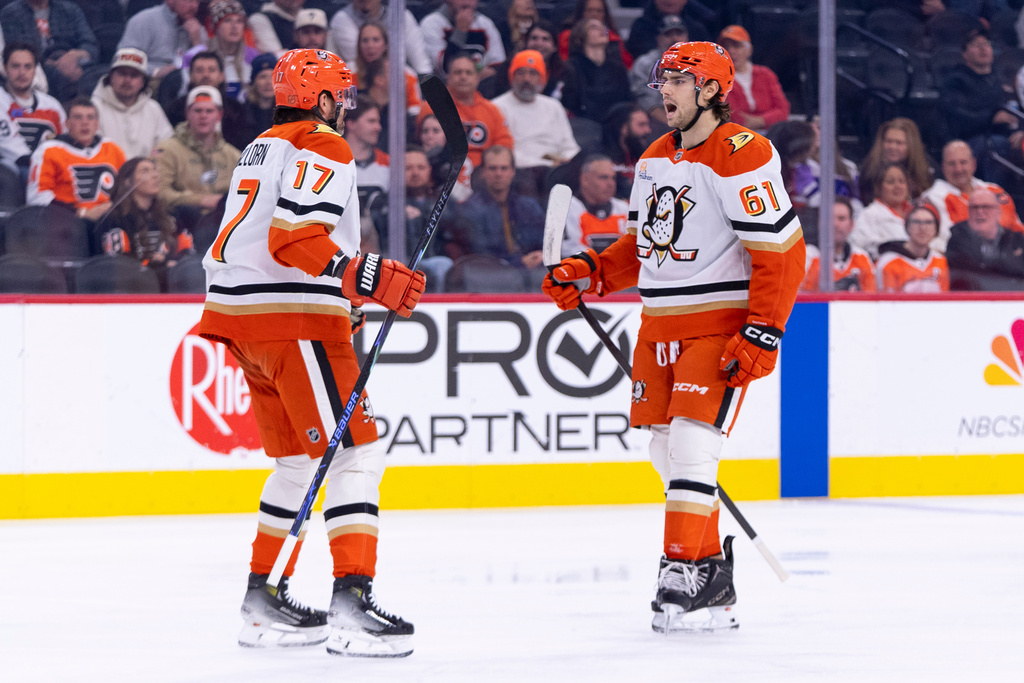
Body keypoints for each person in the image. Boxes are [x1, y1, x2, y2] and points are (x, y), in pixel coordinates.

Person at [542, 41, 804, 634]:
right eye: (663, 79)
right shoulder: (655, 155)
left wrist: (763, 330)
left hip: (717, 322)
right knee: (666, 452)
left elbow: (782, 252)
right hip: (659, 326)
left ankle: (681, 569)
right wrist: (591, 271)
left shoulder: (742, 152)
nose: (665, 89)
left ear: (712, 90)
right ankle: (711, 574)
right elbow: (642, 248)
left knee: (691, 446)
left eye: (679, 80)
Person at [196, 48, 423, 655]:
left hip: (242, 323)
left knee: (298, 463)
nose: (344, 109)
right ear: (321, 99)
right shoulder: (324, 142)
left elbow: (268, 238)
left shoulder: (262, 144)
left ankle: (262, 600)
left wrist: (344, 292)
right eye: (339, 97)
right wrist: (367, 276)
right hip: (290, 321)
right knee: (357, 454)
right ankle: (352, 602)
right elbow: (294, 237)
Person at [493, 49, 580, 199]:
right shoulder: (496, 107)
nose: (526, 79)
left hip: (553, 168)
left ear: (542, 79)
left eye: (533, 74)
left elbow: (569, 147)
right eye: (521, 73)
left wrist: (560, 161)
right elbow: (500, 150)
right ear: (512, 77)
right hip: (520, 170)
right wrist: (534, 163)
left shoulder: (553, 106)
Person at [154, 86, 241, 235]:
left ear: (219, 115)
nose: (203, 116)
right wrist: (201, 200)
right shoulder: (166, 150)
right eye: (197, 110)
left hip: (226, 225)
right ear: (187, 113)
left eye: (209, 111)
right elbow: (160, 193)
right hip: (181, 225)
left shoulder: (233, 155)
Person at [445, 144, 545, 272]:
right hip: (490, 275)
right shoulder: (469, 209)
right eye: (493, 168)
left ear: (512, 171)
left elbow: (542, 241)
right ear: (483, 171)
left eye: (504, 168)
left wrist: (540, 255)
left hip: (531, 271)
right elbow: (480, 252)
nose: (499, 174)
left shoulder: (529, 206)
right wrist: (519, 263)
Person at [27, 96, 125, 223]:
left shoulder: (112, 148)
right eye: (78, 117)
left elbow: (127, 187)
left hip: (109, 219)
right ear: (67, 124)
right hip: (66, 222)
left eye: (90, 117)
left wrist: (114, 207)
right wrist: (79, 213)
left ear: (97, 124)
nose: (85, 122)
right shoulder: (49, 150)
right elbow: (37, 197)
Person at [920, 139, 1024, 252]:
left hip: (1010, 259)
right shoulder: (932, 199)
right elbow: (937, 244)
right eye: (951, 164)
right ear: (943, 167)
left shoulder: (995, 191)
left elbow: (1018, 229)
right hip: (966, 263)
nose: (958, 169)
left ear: (973, 164)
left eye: (963, 162)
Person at [93, 156, 190, 275]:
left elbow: (187, 252)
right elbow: (117, 265)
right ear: (128, 181)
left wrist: (173, 263)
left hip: (172, 283)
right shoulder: (113, 218)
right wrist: (153, 263)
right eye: (145, 171)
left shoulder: (170, 214)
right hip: (132, 286)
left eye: (154, 170)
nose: (155, 175)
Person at [424, 52, 514, 170]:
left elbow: (504, 144)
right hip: (443, 170)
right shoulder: (431, 106)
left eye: (468, 73)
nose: (463, 77)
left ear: (477, 78)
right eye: (458, 72)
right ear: (448, 78)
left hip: (483, 173)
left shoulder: (492, 110)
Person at [0, 0, 100, 101]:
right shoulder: (10, 14)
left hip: (76, 63)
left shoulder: (70, 9)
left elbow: (90, 44)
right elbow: (17, 51)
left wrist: (75, 56)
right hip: (40, 66)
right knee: (56, 76)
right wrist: (58, 64)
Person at [91, 48, 174, 159]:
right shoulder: (94, 107)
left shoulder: (153, 108)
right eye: (122, 74)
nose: (127, 80)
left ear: (143, 82)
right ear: (111, 77)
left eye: (134, 75)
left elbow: (167, 147)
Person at [164, 51, 249, 150]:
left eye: (211, 70)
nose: (206, 75)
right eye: (200, 70)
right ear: (190, 76)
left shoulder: (236, 110)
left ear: (222, 76)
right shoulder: (175, 109)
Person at [181, 0, 259, 102]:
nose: (234, 26)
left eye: (239, 21)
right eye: (227, 21)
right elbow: (183, 90)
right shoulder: (195, 55)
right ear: (215, 27)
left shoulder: (253, 56)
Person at [717, 25, 789, 135]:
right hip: (736, 136)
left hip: (771, 134)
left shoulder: (765, 74)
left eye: (736, 46)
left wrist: (761, 120)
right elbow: (734, 117)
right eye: (726, 47)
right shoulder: (718, 79)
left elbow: (783, 109)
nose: (731, 51)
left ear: (749, 50)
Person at [329, 0, 431, 75]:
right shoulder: (342, 18)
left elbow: (421, 62)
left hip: (395, 78)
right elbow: (363, 57)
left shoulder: (402, 15)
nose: (370, 46)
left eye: (375, 40)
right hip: (360, 77)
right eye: (366, 40)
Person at [946, 187, 1024, 285]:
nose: (980, 212)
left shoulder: (1016, 240)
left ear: (998, 212)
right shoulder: (956, 240)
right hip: (972, 298)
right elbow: (964, 277)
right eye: (974, 207)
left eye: (986, 207)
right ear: (968, 212)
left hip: (1011, 298)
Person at [800, 197, 876, 292]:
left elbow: (872, 299)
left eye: (841, 218)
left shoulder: (862, 257)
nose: (835, 224)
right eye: (829, 218)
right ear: (820, 223)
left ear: (851, 225)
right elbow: (798, 300)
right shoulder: (806, 257)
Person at [0, 42, 65, 154]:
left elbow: (66, 146)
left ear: (35, 69)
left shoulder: (53, 106)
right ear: (5, 68)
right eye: (16, 66)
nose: (22, 73)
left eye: (28, 66)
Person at [117, 0, 208, 79]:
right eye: (189, 0)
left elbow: (204, 67)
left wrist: (197, 43)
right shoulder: (143, 20)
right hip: (148, 81)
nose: (194, 6)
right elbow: (125, 60)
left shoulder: (197, 29)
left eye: (197, 2)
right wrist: (156, 71)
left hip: (185, 84)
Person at [404, 145, 454, 290]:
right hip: (399, 261)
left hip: (436, 260)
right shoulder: (385, 202)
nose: (415, 173)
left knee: (443, 265)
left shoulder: (444, 200)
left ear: (429, 170)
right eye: (408, 168)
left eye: (420, 167)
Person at [566, 17, 632, 123]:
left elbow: (627, 101)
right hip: (583, 125)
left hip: (615, 125)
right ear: (580, 37)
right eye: (594, 27)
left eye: (604, 27)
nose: (603, 30)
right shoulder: (571, 67)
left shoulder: (618, 68)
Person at [562, 154, 628, 256]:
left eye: (613, 178)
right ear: (585, 180)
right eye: (603, 177)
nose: (611, 184)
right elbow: (568, 249)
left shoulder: (624, 209)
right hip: (584, 269)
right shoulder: (568, 208)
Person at [420, 0, 506, 78]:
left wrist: (491, 71)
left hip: (481, 87)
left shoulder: (485, 24)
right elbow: (443, 69)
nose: (467, 2)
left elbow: (499, 64)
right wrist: (460, 31)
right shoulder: (431, 23)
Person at [344, 94, 390, 239]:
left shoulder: (389, 164)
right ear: (351, 123)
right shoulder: (330, 161)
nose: (378, 127)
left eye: (378, 121)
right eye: (371, 121)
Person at [876, 203, 949, 292]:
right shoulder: (887, 262)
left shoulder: (941, 261)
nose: (923, 228)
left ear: (936, 229)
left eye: (929, 222)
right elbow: (886, 303)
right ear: (907, 226)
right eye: (916, 222)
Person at [629, 15, 689, 124]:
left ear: (686, 37)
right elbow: (643, 100)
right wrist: (671, 123)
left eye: (679, 33)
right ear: (658, 38)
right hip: (655, 121)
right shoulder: (645, 63)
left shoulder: (699, 64)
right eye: (668, 34)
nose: (674, 39)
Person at [858, 118, 933, 204]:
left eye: (899, 143)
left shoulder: (925, 169)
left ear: (912, 145)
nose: (893, 147)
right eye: (889, 141)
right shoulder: (869, 168)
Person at [850, 162, 915, 260]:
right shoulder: (868, 215)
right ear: (878, 187)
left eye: (902, 181)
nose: (897, 186)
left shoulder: (919, 212)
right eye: (890, 182)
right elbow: (859, 246)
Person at [558, 0, 633, 69]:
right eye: (589, 10)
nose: (594, 14)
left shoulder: (614, 39)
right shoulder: (567, 36)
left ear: (605, 14)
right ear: (581, 12)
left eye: (599, 11)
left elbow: (627, 66)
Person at [626, 0, 711, 58]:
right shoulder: (640, 27)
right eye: (668, 34)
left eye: (679, 33)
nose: (669, 0)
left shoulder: (698, 28)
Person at [239, 53, 278, 147]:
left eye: (272, 77)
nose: (268, 83)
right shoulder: (241, 114)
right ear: (254, 82)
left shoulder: (287, 114)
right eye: (262, 77)